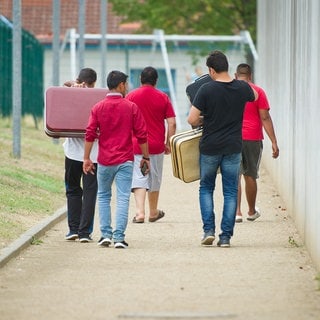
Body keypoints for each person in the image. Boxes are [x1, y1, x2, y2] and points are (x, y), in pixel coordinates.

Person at [187, 50, 257, 248]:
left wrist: (206, 118)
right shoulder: (242, 87)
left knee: (206, 188)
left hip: (210, 146)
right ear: (227, 67)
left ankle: (208, 230)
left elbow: (192, 119)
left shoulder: (206, 90)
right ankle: (225, 237)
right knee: (230, 192)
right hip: (233, 146)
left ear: (211, 69)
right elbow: (255, 94)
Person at [83, 70, 150, 249]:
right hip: (125, 160)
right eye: (126, 84)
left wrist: (86, 158)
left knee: (103, 196)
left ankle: (105, 235)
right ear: (121, 85)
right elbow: (142, 135)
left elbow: (90, 134)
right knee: (122, 198)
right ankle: (119, 237)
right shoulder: (131, 107)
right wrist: (145, 157)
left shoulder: (98, 107)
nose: (127, 87)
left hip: (104, 160)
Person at [126, 66, 176, 223]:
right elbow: (172, 123)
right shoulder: (163, 97)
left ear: (140, 79)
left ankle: (140, 212)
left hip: (135, 145)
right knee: (154, 178)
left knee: (139, 176)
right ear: (156, 81)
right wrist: (168, 143)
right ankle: (153, 212)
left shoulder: (130, 96)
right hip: (155, 146)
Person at [234, 63, 279, 222]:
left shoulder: (229, 90)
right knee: (250, 175)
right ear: (250, 76)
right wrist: (274, 141)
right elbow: (265, 117)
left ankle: (237, 212)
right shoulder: (258, 92)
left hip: (232, 138)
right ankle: (251, 211)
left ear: (235, 75)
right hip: (252, 138)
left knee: (235, 175)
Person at [63, 68, 98, 243]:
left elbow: (64, 85)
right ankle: (85, 232)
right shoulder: (100, 98)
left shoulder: (70, 94)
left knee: (73, 190)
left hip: (72, 154)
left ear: (79, 80)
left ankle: (73, 229)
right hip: (94, 155)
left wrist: (73, 86)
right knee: (90, 192)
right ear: (94, 83)